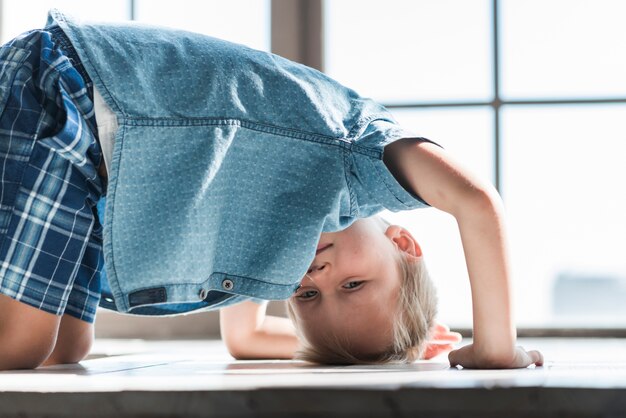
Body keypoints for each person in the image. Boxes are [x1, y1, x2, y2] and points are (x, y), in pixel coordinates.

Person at [0, 9, 543, 370]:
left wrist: (396, 352)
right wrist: (496, 348)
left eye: (306, 297)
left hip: (100, 168)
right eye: (354, 285)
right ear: (402, 242)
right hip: (68, 88)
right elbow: (476, 201)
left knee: (68, 348)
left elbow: (245, 340)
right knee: (20, 346)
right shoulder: (360, 151)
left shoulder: (274, 251)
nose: (319, 278)